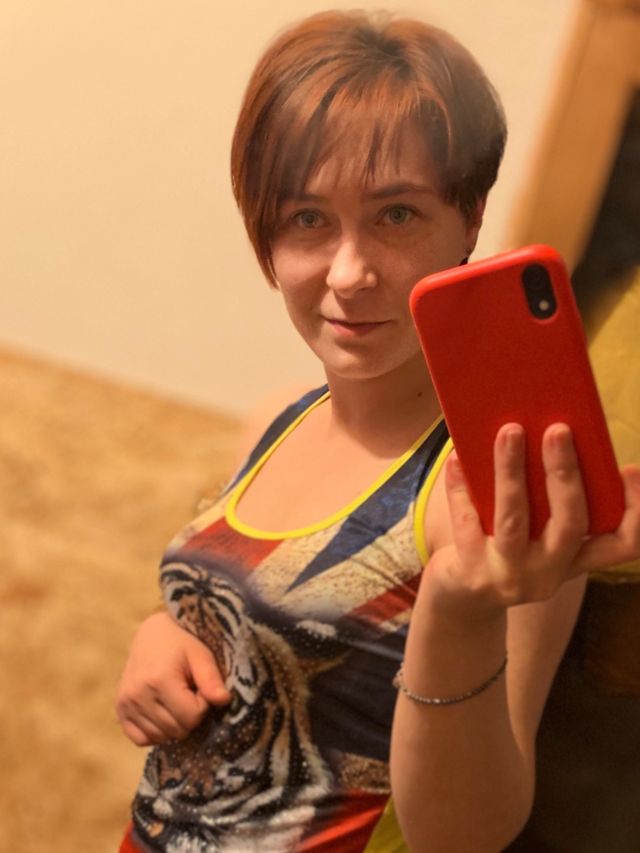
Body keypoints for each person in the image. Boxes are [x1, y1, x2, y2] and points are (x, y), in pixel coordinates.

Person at [115, 10, 640, 852]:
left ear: (470, 220)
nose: (350, 272)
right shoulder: (277, 418)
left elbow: (464, 835)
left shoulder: (494, 486)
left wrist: (458, 613)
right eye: (307, 219)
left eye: (397, 215)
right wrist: (165, 633)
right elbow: (252, 625)